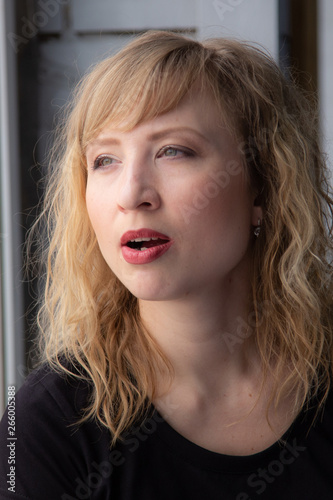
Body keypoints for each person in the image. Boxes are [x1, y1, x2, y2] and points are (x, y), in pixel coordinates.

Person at [1, 29, 333, 500]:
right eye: (104, 160)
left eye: (173, 150)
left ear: (261, 185)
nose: (132, 194)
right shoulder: (43, 427)